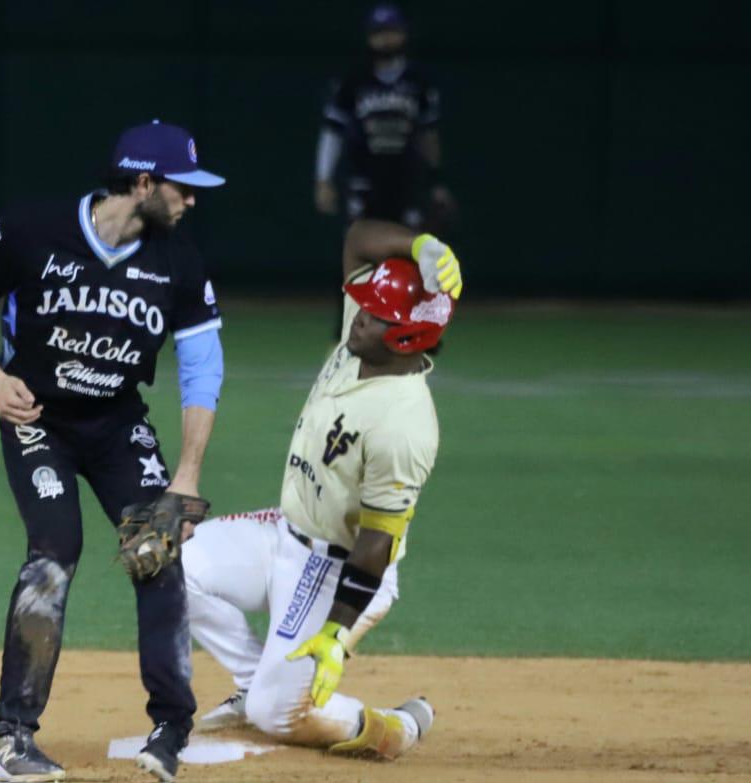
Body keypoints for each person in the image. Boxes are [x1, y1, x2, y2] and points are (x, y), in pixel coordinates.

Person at [0, 120, 226, 783]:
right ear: (144, 181)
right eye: (183, 187)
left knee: (154, 548)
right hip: (37, 417)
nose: (192, 200)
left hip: (118, 424)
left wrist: (186, 474)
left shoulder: (178, 262)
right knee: (54, 551)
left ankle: (170, 725)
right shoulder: (32, 230)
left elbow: (202, 368)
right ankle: (11, 735)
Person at [180, 220, 463, 759]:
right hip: (283, 531)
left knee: (278, 715)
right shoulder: (371, 337)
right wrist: (424, 246)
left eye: (375, 314)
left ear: (408, 336)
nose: (357, 319)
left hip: (341, 568)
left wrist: (335, 634)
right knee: (170, 563)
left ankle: (394, 728)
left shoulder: (404, 425)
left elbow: (376, 545)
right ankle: (253, 682)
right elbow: (358, 237)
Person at [315, 4, 454, 231]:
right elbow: (332, 131)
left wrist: (437, 181)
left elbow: (429, 136)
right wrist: (323, 179)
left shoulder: (419, 81)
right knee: (364, 249)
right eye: (378, 33)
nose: (385, 40)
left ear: (404, 34)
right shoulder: (353, 81)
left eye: (391, 31)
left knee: (408, 251)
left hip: (407, 179)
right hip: (364, 178)